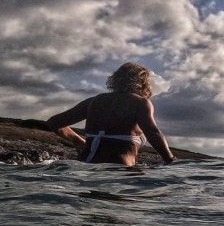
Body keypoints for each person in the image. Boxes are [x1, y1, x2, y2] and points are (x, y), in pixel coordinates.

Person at [46, 63, 176, 166]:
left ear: (114, 80)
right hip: (118, 171)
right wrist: (170, 160)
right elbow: (153, 133)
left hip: (85, 167)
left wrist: (79, 142)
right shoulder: (141, 103)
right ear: (143, 84)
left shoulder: (94, 101)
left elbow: (54, 122)